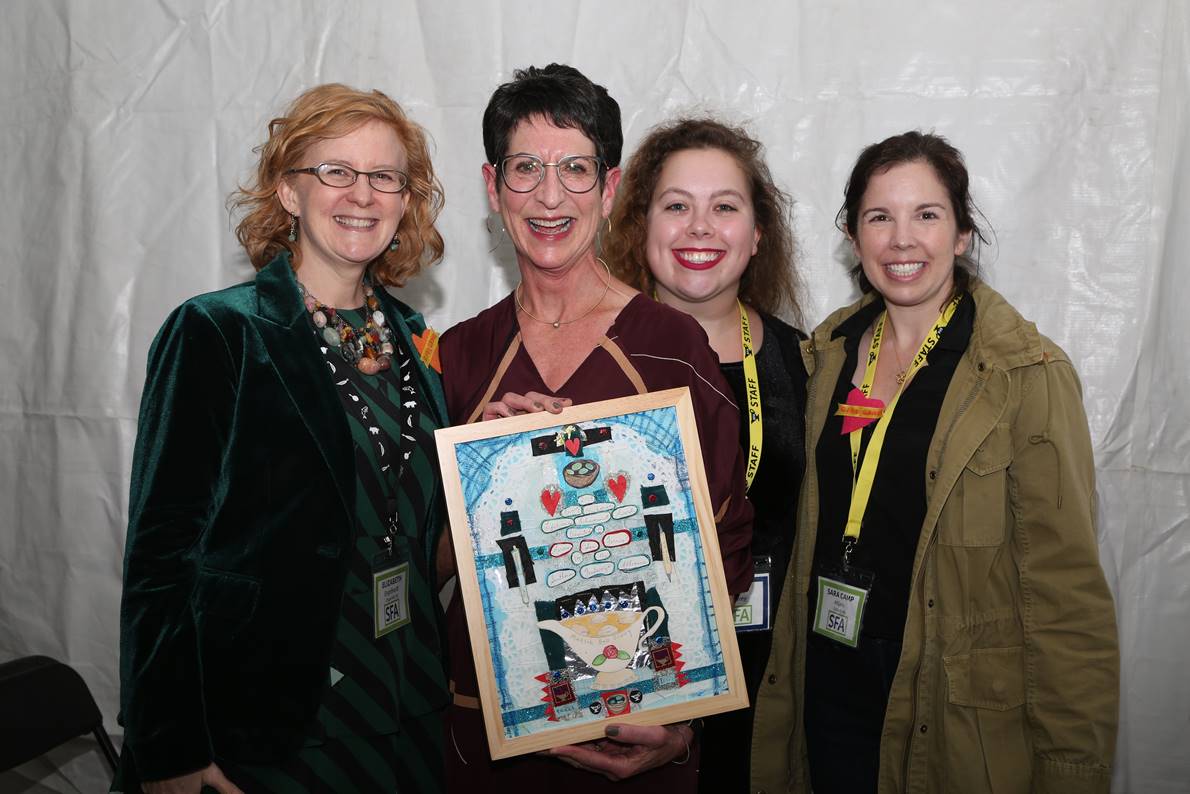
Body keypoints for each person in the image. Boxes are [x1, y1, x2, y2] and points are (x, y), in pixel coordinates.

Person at [751, 131, 1120, 793]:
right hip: (827, 681)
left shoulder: (1025, 375)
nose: (902, 240)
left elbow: (1064, 598)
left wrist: (1071, 769)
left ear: (961, 235)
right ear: (850, 234)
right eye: (879, 217)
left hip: (945, 705)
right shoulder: (826, 354)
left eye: (927, 215)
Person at [115, 84, 451, 793]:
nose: (361, 194)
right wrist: (169, 746)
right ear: (288, 192)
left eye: (384, 176)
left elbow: (422, 530)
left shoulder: (417, 344)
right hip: (268, 729)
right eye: (335, 170)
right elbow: (160, 557)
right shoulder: (218, 333)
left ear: (405, 199)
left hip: (406, 702)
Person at [437, 64, 754, 791]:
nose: (550, 197)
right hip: (487, 739)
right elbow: (421, 565)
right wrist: (479, 481)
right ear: (493, 187)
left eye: (576, 169)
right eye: (527, 169)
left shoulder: (672, 347)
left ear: (610, 191)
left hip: (638, 738)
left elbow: (725, 540)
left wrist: (681, 721)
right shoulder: (456, 357)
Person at [605, 117, 807, 793]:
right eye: (676, 206)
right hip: (631, 691)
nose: (700, 227)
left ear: (756, 236)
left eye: (724, 207)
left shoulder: (807, 364)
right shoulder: (592, 364)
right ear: (640, 226)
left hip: (773, 689)